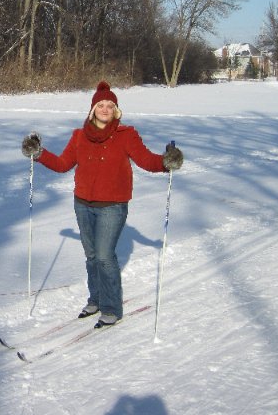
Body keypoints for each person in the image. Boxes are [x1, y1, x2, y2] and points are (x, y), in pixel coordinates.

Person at [21, 81, 183, 328]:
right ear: (92, 108)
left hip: (113, 205)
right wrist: (39, 153)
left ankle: (111, 307)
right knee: (92, 256)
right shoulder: (79, 136)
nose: (105, 109)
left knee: (105, 256)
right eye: (101, 104)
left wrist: (165, 162)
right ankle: (95, 299)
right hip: (83, 203)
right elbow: (63, 164)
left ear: (116, 110)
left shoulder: (126, 135)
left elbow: (146, 159)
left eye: (110, 105)